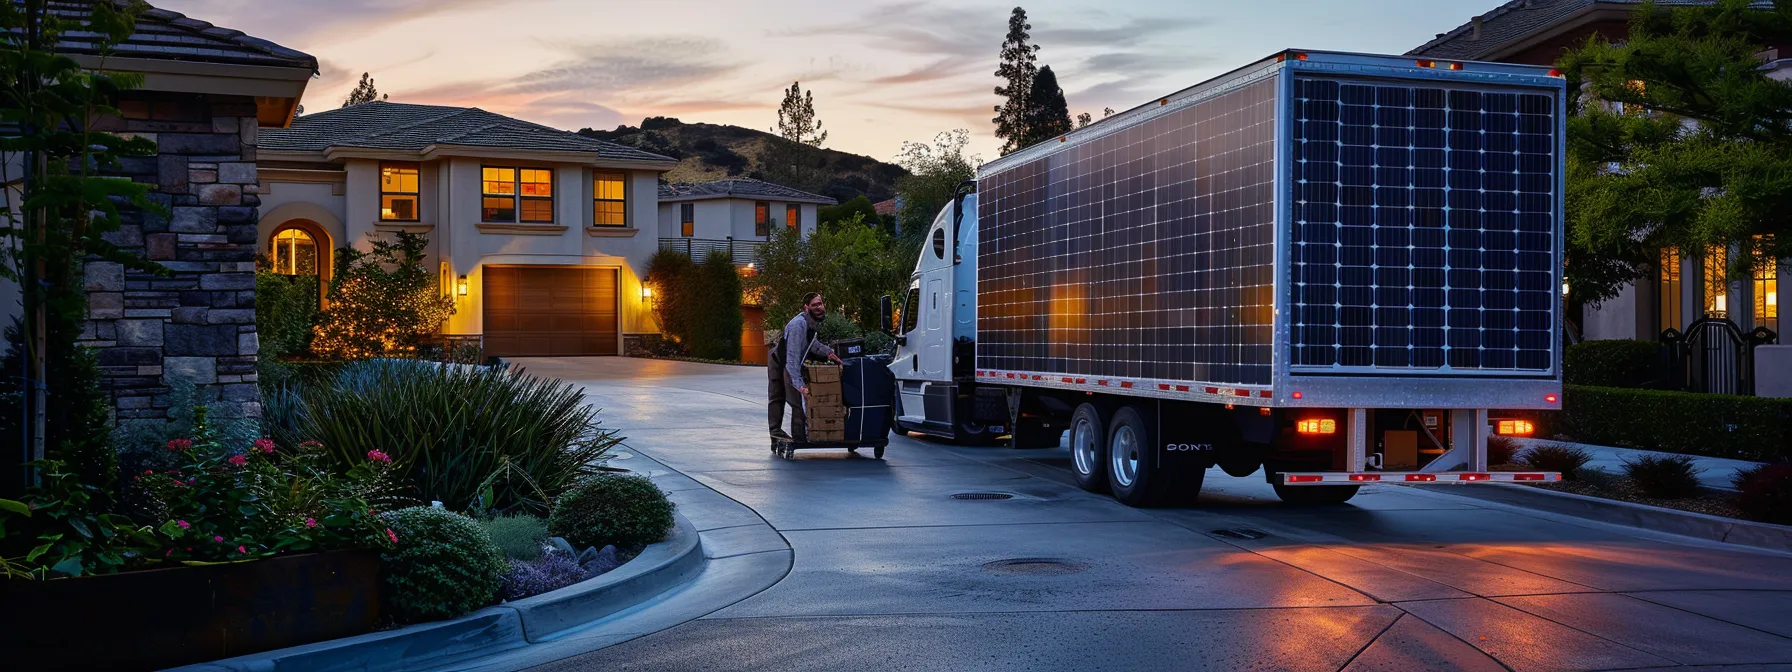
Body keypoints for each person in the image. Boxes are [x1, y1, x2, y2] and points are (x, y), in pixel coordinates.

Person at [769, 292, 842, 440]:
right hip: (779, 360)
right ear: (806, 307)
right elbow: (792, 357)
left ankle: (799, 435)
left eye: (820, 304)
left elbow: (811, 344)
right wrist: (798, 384)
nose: (819, 308)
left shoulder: (811, 322)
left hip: (788, 358)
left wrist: (829, 353)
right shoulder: (798, 325)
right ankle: (786, 435)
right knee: (785, 396)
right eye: (814, 305)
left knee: (795, 396)